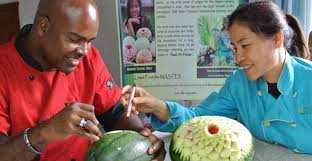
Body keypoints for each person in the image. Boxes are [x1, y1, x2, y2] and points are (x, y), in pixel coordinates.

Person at [121, 1, 312, 154]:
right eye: (235, 48)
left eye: (245, 45)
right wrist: (157, 105)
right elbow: (197, 118)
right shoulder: (239, 82)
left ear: (277, 39)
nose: (238, 58)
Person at [0, 0, 165, 161]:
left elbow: (117, 113)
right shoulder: (4, 68)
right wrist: (45, 132)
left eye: (89, 41)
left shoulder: (89, 59)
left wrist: (142, 140)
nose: (85, 51)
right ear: (44, 26)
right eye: (74, 39)